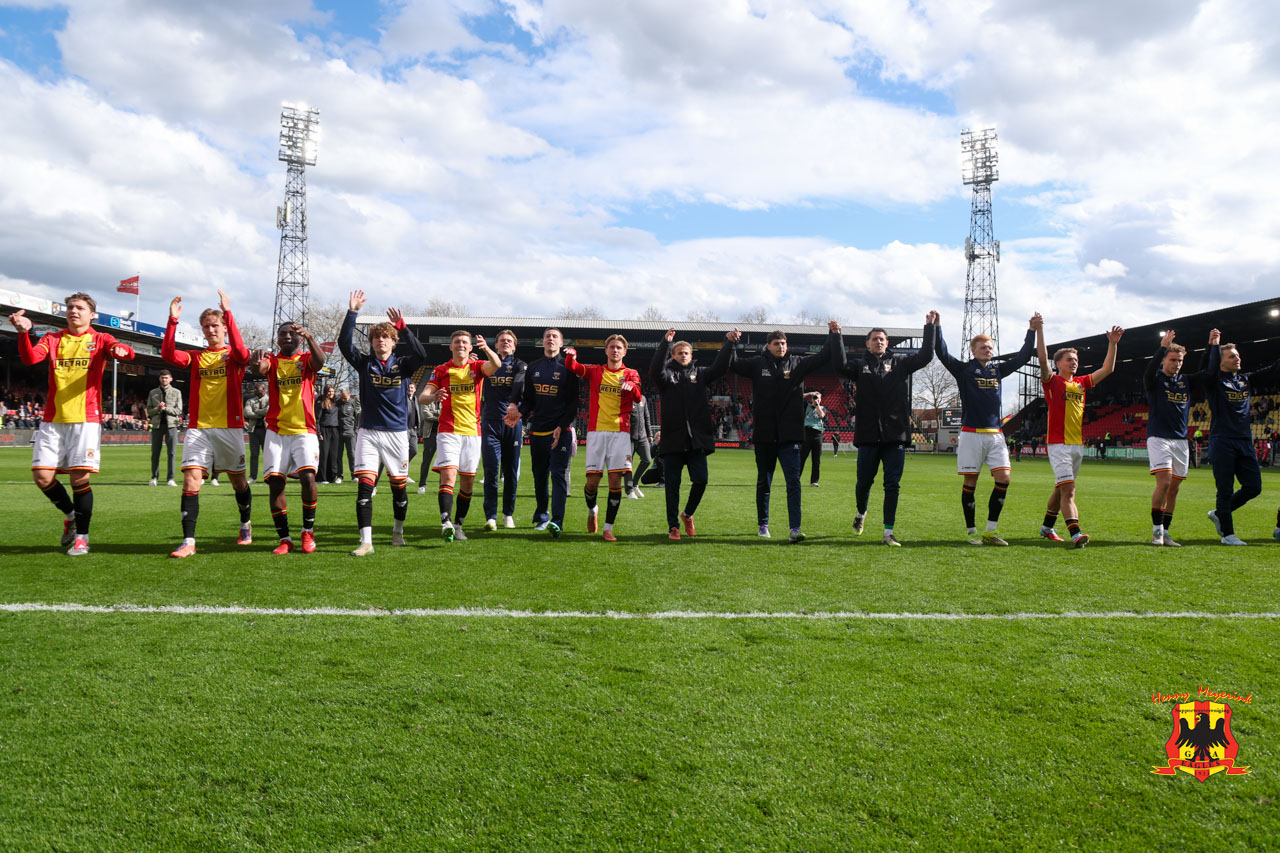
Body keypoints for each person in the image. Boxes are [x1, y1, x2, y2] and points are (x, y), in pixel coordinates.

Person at [9, 293, 135, 555]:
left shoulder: (100, 339)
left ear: (92, 314)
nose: (74, 311)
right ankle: (70, 515)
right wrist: (23, 333)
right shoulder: (53, 338)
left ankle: (82, 538)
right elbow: (31, 358)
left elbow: (122, 349)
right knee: (42, 477)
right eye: (70, 307)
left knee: (80, 478)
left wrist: (121, 350)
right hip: (53, 419)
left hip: (85, 419)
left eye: (80, 308)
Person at [160, 290, 254, 557]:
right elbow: (168, 355)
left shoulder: (234, 356)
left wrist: (228, 312)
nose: (210, 330)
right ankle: (188, 541)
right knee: (191, 480)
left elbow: (243, 353)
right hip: (198, 428)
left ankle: (245, 522)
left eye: (215, 325)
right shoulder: (196, 357)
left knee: (238, 482)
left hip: (229, 428)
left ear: (224, 328)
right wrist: (172, 320)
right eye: (206, 326)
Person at [730, 321, 842, 542]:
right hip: (764, 434)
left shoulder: (797, 363)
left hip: (790, 435)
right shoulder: (757, 364)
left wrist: (834, 335)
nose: (780, 346)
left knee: (793, 482)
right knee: (764, 482)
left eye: (783, 343)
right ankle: (763, 524)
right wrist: (731, 344)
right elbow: (732, 363)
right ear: (768, 346)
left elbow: (824, 357)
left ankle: (795, 529)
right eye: (776, 343)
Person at [936, 313, 1041, 545]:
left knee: (1004, 478)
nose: (988, 350)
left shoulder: (997, 371)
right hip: (971, 434)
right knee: (970, 483)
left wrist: (1031, 331)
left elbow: (1023, 357)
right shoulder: (963, 370)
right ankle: (972, 531)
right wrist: (937, 328)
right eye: (983, 347)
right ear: (973, 350)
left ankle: (991, 531)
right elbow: (942, 353)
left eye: (990, 347)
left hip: (995, 435)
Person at [338, 290, 427, 555]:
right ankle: (366, 542)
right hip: (368, 433)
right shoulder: (365, 364)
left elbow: (422, 355)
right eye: (376, 337)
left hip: (397, 434)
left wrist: (403, 327)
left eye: (386, 337)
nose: (380, 341)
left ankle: (398, 532)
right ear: (372, 342)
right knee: (364, 489)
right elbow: (344, 344)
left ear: (393, 342)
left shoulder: (404, 365)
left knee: (399, 490)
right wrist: (352, 313)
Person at [837, 314, 937, 546]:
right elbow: (839, 365)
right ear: (868, 343)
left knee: (892, 484)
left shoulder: (901, 363)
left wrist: (929, 327)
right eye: (875, 339)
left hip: (895, 435)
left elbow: (925, 356)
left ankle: (888, 532)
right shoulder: (859, 366)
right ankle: (861, 512)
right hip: (868, 435)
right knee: (863, 483)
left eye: (882, 339)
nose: (879, 342)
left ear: (887, 343)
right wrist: (836, 336)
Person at [1035, 321, 1124, 548]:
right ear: (1058, 364)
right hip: (1058, 444)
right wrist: (1040, 330)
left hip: (1077, 445)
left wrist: (1113, 344)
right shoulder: (1052, 381)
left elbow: (1107, 369)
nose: (1074, 362)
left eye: (1075, 359)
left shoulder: (1081, 383)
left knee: (1061, 488)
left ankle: (1047, 527)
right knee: (1069, 490)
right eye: (1069, 359)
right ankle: (1076, 534)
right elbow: (1043, 360)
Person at [649, 328, 738, 540]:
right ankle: (673, 526)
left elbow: (720, 368)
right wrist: (665, 343)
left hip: (696, 440)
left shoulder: (700, 374)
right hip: (673, 440)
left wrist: (729, 344)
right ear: (673, 355)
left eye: (686, 353)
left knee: (701, 480)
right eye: (679, 352)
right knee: (672, 486)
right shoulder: (666, 376)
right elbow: (655, 370)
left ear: (691, 355)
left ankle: (687, 514)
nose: (683, 355)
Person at [419, 330, 501, 541]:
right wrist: (434, 396)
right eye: (457, 342)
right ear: (451, 346)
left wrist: (487, 348)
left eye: (465, 342)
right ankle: (445, 523)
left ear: (470, 347)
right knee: (448, 477)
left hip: (473, 433)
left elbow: (496, 364)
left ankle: (458, 525)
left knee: (467, 484)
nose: (461, 345)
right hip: (448, 431)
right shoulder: (441, 370)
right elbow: (422, 397)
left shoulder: (477, 367)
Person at [253, 319, 326, 554]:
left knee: (308, 477)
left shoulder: (306, 359)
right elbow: (259, 369)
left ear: (299, 337)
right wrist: (255, 359)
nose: (287, 337)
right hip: (276, 431)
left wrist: (310, 337)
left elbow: (320, 361)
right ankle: (285, 539)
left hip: (304, 430)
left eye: (291, 333)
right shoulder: (273, 361)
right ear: (277, 338)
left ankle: (307, 532)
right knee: (275, 483)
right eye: (282, 333)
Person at [1202, 330, 1280, 545]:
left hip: (1245, 440)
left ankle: (1219, 514)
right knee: (1225, 489)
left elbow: (1274, 369)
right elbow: (1207, 366)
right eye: (1231, 356)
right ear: (1220, 362)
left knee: (1254, 487)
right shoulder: (1214, 381)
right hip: (1222, 440)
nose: (1237, 359)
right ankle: (1228, 535)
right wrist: (1213, 346)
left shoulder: (1246, 379)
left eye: (1237, 356)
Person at [562, 336, 642, 541]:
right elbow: (574, 367)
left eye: (619, 348)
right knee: (592, 483)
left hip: (620, 433)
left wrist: (631, 387)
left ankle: (608, 527)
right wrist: (572, 355)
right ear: (606, 351)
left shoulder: (631, 373)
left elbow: (638, 397)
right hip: (596, 432)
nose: (615, 350)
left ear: (625, 352)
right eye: (612, 347)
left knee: (615, 480)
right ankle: (592, 510)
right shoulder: (596, 371)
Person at [504, 327, 579, 537]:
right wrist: (520, 414)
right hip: (538, 430)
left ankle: (557, 521)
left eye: (555, 336)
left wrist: (562, 425)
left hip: (560, 430)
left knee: (558, 475)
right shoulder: (534, 367)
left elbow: (573, 402)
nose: (550, 339)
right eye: (547, 336)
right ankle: (542, 516)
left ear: (561, 343)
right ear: (542, 342)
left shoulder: (568, 367)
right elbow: (529, 400)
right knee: (539, 476)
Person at [1143, 330, 1212, 547]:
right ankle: (1156, 532)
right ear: (1164, 360)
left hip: (1181, 440)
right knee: (1164, 483)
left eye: (1180, 360)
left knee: (1174, 488)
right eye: (1173, 360)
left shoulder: (1185, 381)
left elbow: (1207, 372)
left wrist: (1211, 346)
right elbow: (1148, 372)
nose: (1177, 364)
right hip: (1159, 437)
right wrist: (1162, 347)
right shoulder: (1155, 380)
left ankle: (1166, 532)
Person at [480, 330, 526, 531]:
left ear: (514, 346)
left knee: (510, 472)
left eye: (509, 341)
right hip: (490, 423)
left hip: (512, 424)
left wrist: (515, 406)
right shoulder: (488, 366)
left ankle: (508, 514)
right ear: (496, 345)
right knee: (491, 471)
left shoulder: (520, 365)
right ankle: (491, 516)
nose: (505, 343)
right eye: (502, 341)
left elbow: (520, 384)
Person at [147, 369, 183, 486]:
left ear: (171, 379)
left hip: (171, 425)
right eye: (162, 378)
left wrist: (165, 409)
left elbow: (179, 410)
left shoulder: (176, 392)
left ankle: (170, 478)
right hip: (157, 426)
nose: (164, 380)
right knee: (155, 453)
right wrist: (157, 409)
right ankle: (154, 477)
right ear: (159, 379)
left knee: (171, 453)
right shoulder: (153, 392)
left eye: (166, 378)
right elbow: (149, 411)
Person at [624, 393, 655, 499]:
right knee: (628, 463)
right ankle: (629, 490)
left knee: (647, 460)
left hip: (642, 436)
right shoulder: (625, 397)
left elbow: (647, 416)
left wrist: (650, 434)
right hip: (628, 437)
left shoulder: (643, 398)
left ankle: (635, 483)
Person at [243, 379, 269, 483]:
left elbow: (268, 411)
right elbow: (247, 413)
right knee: (254, 455)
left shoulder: (270, 399)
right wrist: (261, 414)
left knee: (268, 454)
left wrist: (256, 411)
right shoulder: (250, 401)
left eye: (257, 389)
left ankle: (268, 475)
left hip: (266, 431)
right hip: (253, 430)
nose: (254, 390)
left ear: (264, 389)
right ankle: (252, 477)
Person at [799, 391, 826, 487]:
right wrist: (811, 394)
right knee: (802, 457)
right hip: (807, 432)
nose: (816, 399)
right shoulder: (806, 406)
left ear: (821, 399)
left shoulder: (823, 408)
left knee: (816, 459)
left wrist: (817, 404)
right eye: (815, 398)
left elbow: (821, 415)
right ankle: (795, 478)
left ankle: (814, 481)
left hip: (817, 434)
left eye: (818, 398)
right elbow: (799, 396)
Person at [317, 385, 342, 484]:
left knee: (333, 454)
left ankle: (332, 477)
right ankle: (322, 478)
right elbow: (317, 420)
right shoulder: (321, 403)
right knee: (324, 454)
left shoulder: (336, 402)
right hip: (324, 430)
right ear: (325, 392)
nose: (331, 393)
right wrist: (319, 433)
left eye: (332, 391)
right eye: (329, 391)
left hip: (334, 430)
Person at [417, 396, 440, 494]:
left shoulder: (445, 400)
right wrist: (439, 415)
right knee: (426, 461)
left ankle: (443, 485)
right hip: (430, 434)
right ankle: (422, 485)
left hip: (443, 434)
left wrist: (434, 412)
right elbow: (426, 415)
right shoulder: (426, 400)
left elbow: (448, 413)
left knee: (444, 461)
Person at [337, 388, 359, 479]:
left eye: (345, 398)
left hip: (350, 432)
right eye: (341, 397)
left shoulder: (353, 403)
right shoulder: (337, 403)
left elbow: (357, 417)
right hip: (339, 432)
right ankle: (339, 476)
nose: (343, 400)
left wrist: (355, 430)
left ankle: (354, 476)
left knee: (352, 455)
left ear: (349, 395)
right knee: (338, 455)